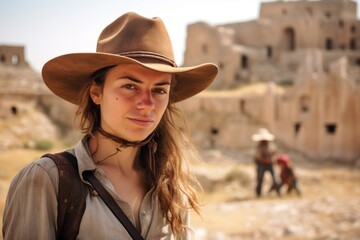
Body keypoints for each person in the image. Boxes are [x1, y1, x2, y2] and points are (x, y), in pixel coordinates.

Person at [2, 12, 218, 239]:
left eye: (160, 90)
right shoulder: (47, 181)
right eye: (130, 86)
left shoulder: (172, 188)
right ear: (97, 92)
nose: (147, 104)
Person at [252, 128, 280, 197]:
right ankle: (258, 194)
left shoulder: (271, 145)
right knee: (260, 179)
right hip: (262, 164)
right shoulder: (259, 147)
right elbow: (257, 157)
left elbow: (274, 153)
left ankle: (278, 193)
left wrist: (271, 159)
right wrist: (264, 160)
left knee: (275, 178)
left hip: (270, 164)